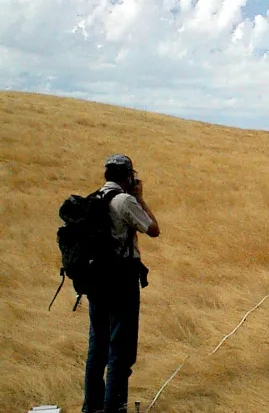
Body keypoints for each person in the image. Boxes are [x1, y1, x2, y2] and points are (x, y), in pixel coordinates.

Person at [83, 154, 160, 413]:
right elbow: (153, 229)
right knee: (121, 348)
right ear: (127, 175)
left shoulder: (94, 199)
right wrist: (139, 196)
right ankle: (114, 408)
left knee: (98, 345)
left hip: (95, 279)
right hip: (121, 278)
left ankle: (91, 407)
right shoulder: (124, 200)